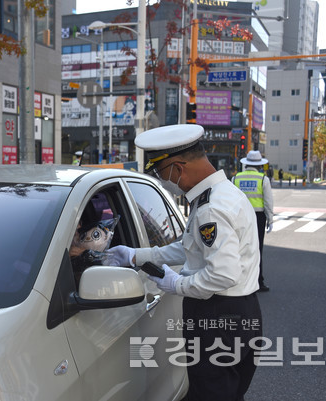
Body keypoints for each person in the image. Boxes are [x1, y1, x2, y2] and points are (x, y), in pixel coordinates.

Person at [105, 124, 262, 401]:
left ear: (178, 168)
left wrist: (177, 284)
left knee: (212, 392)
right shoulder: (224, 194)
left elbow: (222, 275)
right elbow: (189, 248)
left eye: (159, 171)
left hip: (217, 316)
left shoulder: (211, 208)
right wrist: (136, 255)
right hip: (242, 311)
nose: (161, 179)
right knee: (228, 390)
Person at [233, 150, 273, 292]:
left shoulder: (236, 178)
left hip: (239, 217)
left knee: (238, 248)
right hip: (258, 217)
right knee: (256, 249)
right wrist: (270, 219)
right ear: (260, 165)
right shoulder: (263, 179)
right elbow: (268, 202)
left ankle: (238, 279)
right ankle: (258, 281)